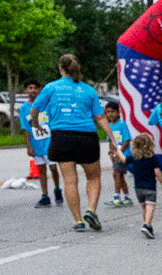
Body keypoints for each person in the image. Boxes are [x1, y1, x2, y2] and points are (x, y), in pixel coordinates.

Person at [30, 52, 123, 233]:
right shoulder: (88, 90)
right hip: (86, 137)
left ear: (61, 68)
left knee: (70, 181)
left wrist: (36, 124)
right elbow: (100, 117)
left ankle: (78, 221)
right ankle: (91, 210)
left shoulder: (51, 87)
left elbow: (34, 109)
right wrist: (113, 140)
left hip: (61, 137)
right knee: (93, 177)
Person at [19, 78, 62, 210]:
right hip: (36, 143)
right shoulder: (24, 108)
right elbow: (26, 128)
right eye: (30, 88)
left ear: (39, 90)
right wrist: (29, 145)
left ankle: (57, 189)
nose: (32, 90)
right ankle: (45, 195)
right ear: (26, 90)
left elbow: (54, 120)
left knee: (53, 167)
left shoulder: (46, 105)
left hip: (49, 141)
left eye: (35, 88)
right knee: (41, 169)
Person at [126, 132, 162, 239]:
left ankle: (148, 225)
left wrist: (118, 152)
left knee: (144, 207)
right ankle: (146, 224)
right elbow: (157, 171)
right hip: (150, 188)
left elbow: (125, 161)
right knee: (150, 206)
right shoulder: (152, 158)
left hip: (138, 188)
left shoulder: (133, 157)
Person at [104, 101, 134, 208]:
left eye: (112, 111)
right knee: (119, 176)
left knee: (117, 174)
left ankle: (116, 197)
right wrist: (111, 152)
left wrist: (120, 151)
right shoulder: (109, 126)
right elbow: (110, 142)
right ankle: (127, 198)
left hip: (123, 155)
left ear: (118, 112)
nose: (110, 114)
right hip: (115, 156)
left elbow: (127, 140)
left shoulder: (121, 124)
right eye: (108, 112)